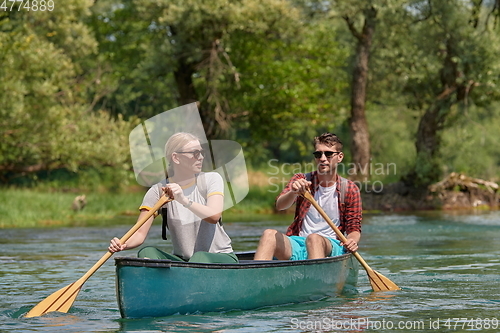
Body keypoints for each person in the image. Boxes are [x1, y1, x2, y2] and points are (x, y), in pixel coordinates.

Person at [108, 132, 238, 263]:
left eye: (201, 152)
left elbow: (214, 216)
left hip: (220, 257)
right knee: (146, 252)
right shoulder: (158, 191)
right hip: (184, 261)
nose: (201, 157)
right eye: (195, 153)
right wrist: (123, 244)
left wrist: (184, 200)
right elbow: (139, 234)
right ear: (176, 158)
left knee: (200, 257)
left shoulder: (212, 179)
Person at [254, 132, 361, 261]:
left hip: (331, 245)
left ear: (340, 157)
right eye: (318, 154)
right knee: (268, 235)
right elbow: (280, 206)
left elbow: (353, 229)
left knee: (314, 238)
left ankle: (315, 279)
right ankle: (256, 278)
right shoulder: (301, 180)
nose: (322, 158)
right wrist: (293, 192)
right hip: (298, 243)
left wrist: (351, 241)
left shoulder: (349, 189)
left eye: (328, 154)